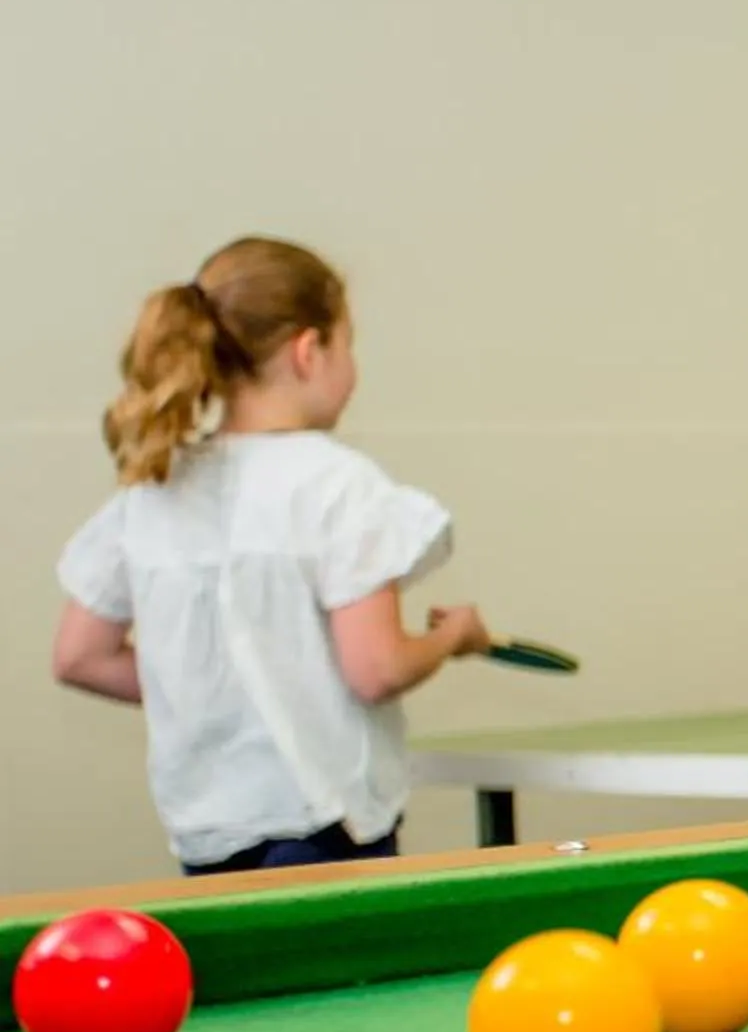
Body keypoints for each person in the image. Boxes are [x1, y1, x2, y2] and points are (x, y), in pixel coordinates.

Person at [53, 238, 490, 875]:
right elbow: (375, 669)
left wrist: (218, 682)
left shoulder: (156, 489)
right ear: (309, 352)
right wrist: (452, 637)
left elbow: (80, 656)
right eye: (349, 345)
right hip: (324, 828)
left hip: (208, 836)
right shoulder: (338, 485)